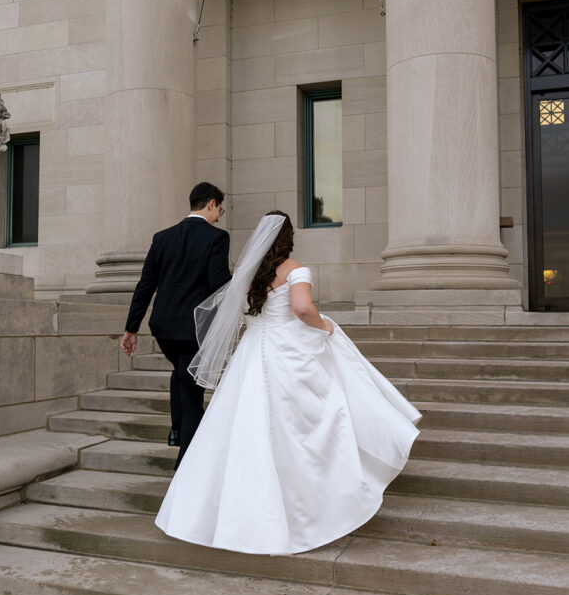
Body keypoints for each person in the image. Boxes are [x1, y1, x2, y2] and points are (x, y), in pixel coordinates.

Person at [156, 211, 421, 555]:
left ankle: (213, 517)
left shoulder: (249, 274)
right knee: (305, 426)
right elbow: (301, 307)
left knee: (239, 429)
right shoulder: (297, 270)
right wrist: (324, 325)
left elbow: (244, 314)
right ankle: (311, 506)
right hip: (285, 354)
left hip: (252, 353)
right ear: (289, 238)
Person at [121, 182, 231, 468]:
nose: (219, 216)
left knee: (181, 373)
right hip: (195, 326)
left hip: (163, 326)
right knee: (192, 388)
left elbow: (145, 285)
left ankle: (177, 429)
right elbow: (219, 284)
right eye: (220, 209)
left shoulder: (162, 237)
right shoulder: (217, 238)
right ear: (210, 204)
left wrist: (131, 328)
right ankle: (186, 462)